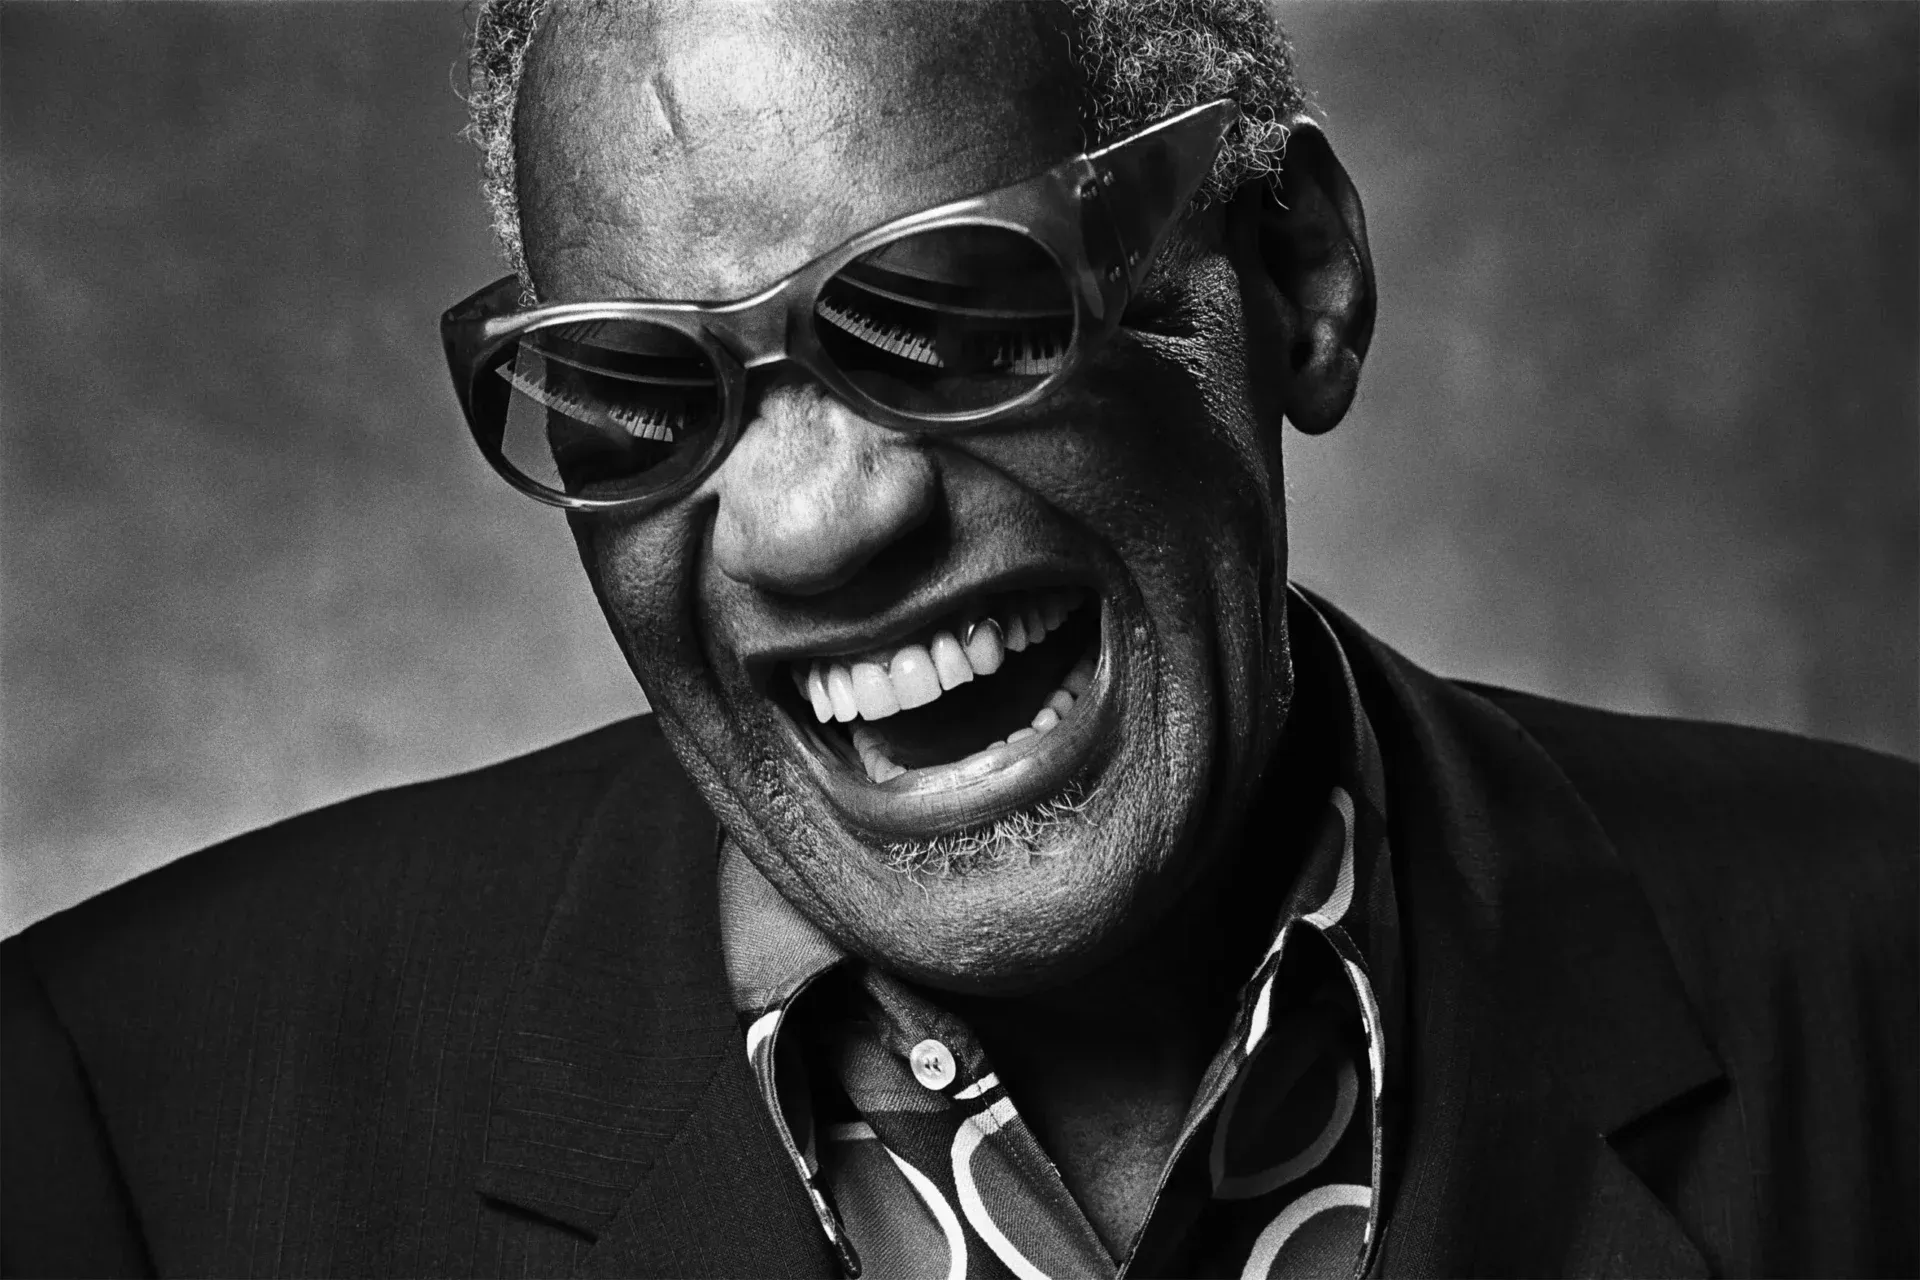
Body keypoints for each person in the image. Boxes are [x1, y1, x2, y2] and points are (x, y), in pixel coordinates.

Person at [5, 2, 1913, 1276]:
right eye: (637, 397)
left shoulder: (1882, 978)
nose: (812, 526)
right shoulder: (117, 1117)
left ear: (1295, 276)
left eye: (947, 309)